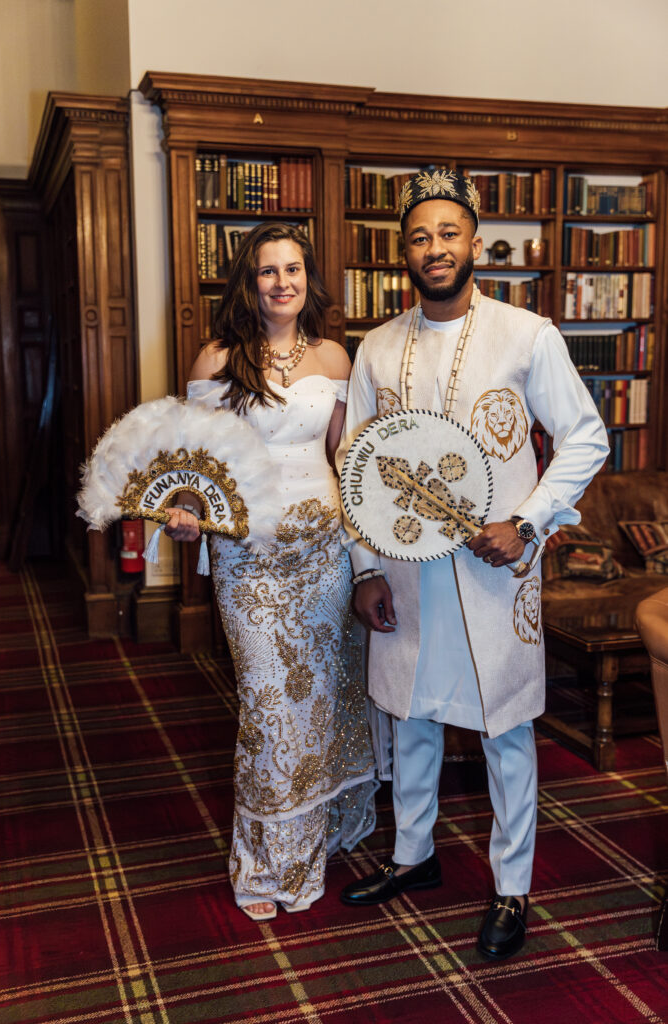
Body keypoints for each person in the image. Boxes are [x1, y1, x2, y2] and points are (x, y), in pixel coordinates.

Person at [336, 169, 609, 959]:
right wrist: (363, 571)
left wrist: (526, 522)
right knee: (413, 713)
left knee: (505, 728)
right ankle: (412, 857)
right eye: (419, 236)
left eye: (447, 233)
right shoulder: (378, 348)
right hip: (406, 573)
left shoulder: (528, 336)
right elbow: (357, 464)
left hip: (496, 573)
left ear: (475, 243)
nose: (435, 248)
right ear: (403, 252)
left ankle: (511, 887)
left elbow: (585, 436)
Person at [166, 222, 376, 922]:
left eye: (292, 270)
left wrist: (366, 556)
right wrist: (189, 511)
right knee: (267, 708)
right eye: (266, 271)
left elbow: (346, 462)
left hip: (323, 555)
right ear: (246, 282)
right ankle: (265, 864)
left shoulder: (334, 356)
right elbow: (199, 463)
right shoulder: (218, 357)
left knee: (327, 697)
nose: (281, 282)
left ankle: (320, 835)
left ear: (308, 279)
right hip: (248, 558)